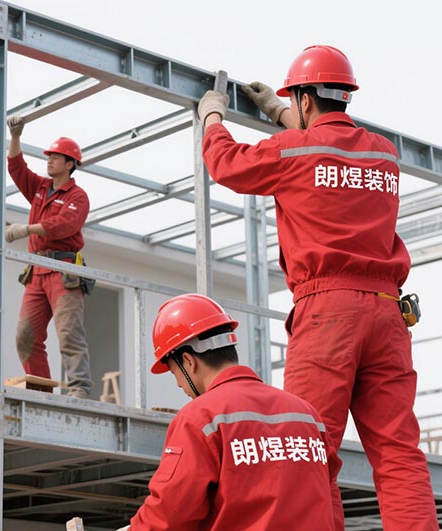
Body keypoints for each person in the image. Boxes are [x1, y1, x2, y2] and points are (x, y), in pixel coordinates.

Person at [197, 45, 437, 530]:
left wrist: (213, 119)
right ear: (346, 96)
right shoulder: (385, 156)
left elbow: (226, 164)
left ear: (306, 99)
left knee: (311, 448)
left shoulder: (292, 152)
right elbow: (337, 156)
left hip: (327, 312)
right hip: (388, 315)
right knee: (398, 453)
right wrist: (282, 112)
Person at [117, 294, 333, 530]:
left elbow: (170, 511)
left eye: (173, 373)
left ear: (188, 361)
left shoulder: (200, 418)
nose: (179, 384)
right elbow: (331, 505)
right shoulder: (307, 415)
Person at [4, 115, 92, 399]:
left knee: (69, 335)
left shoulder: (77, 196)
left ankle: (79, 388)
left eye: (56, 157)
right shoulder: (41, 189)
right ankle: (41, 389)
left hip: (63, 270)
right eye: (49, 156)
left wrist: (25, 228)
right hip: (37, 271)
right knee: (25, 337)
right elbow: (17, 169)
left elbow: (63, 226)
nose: (50, 161)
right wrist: (16, 136)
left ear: (70, 164)